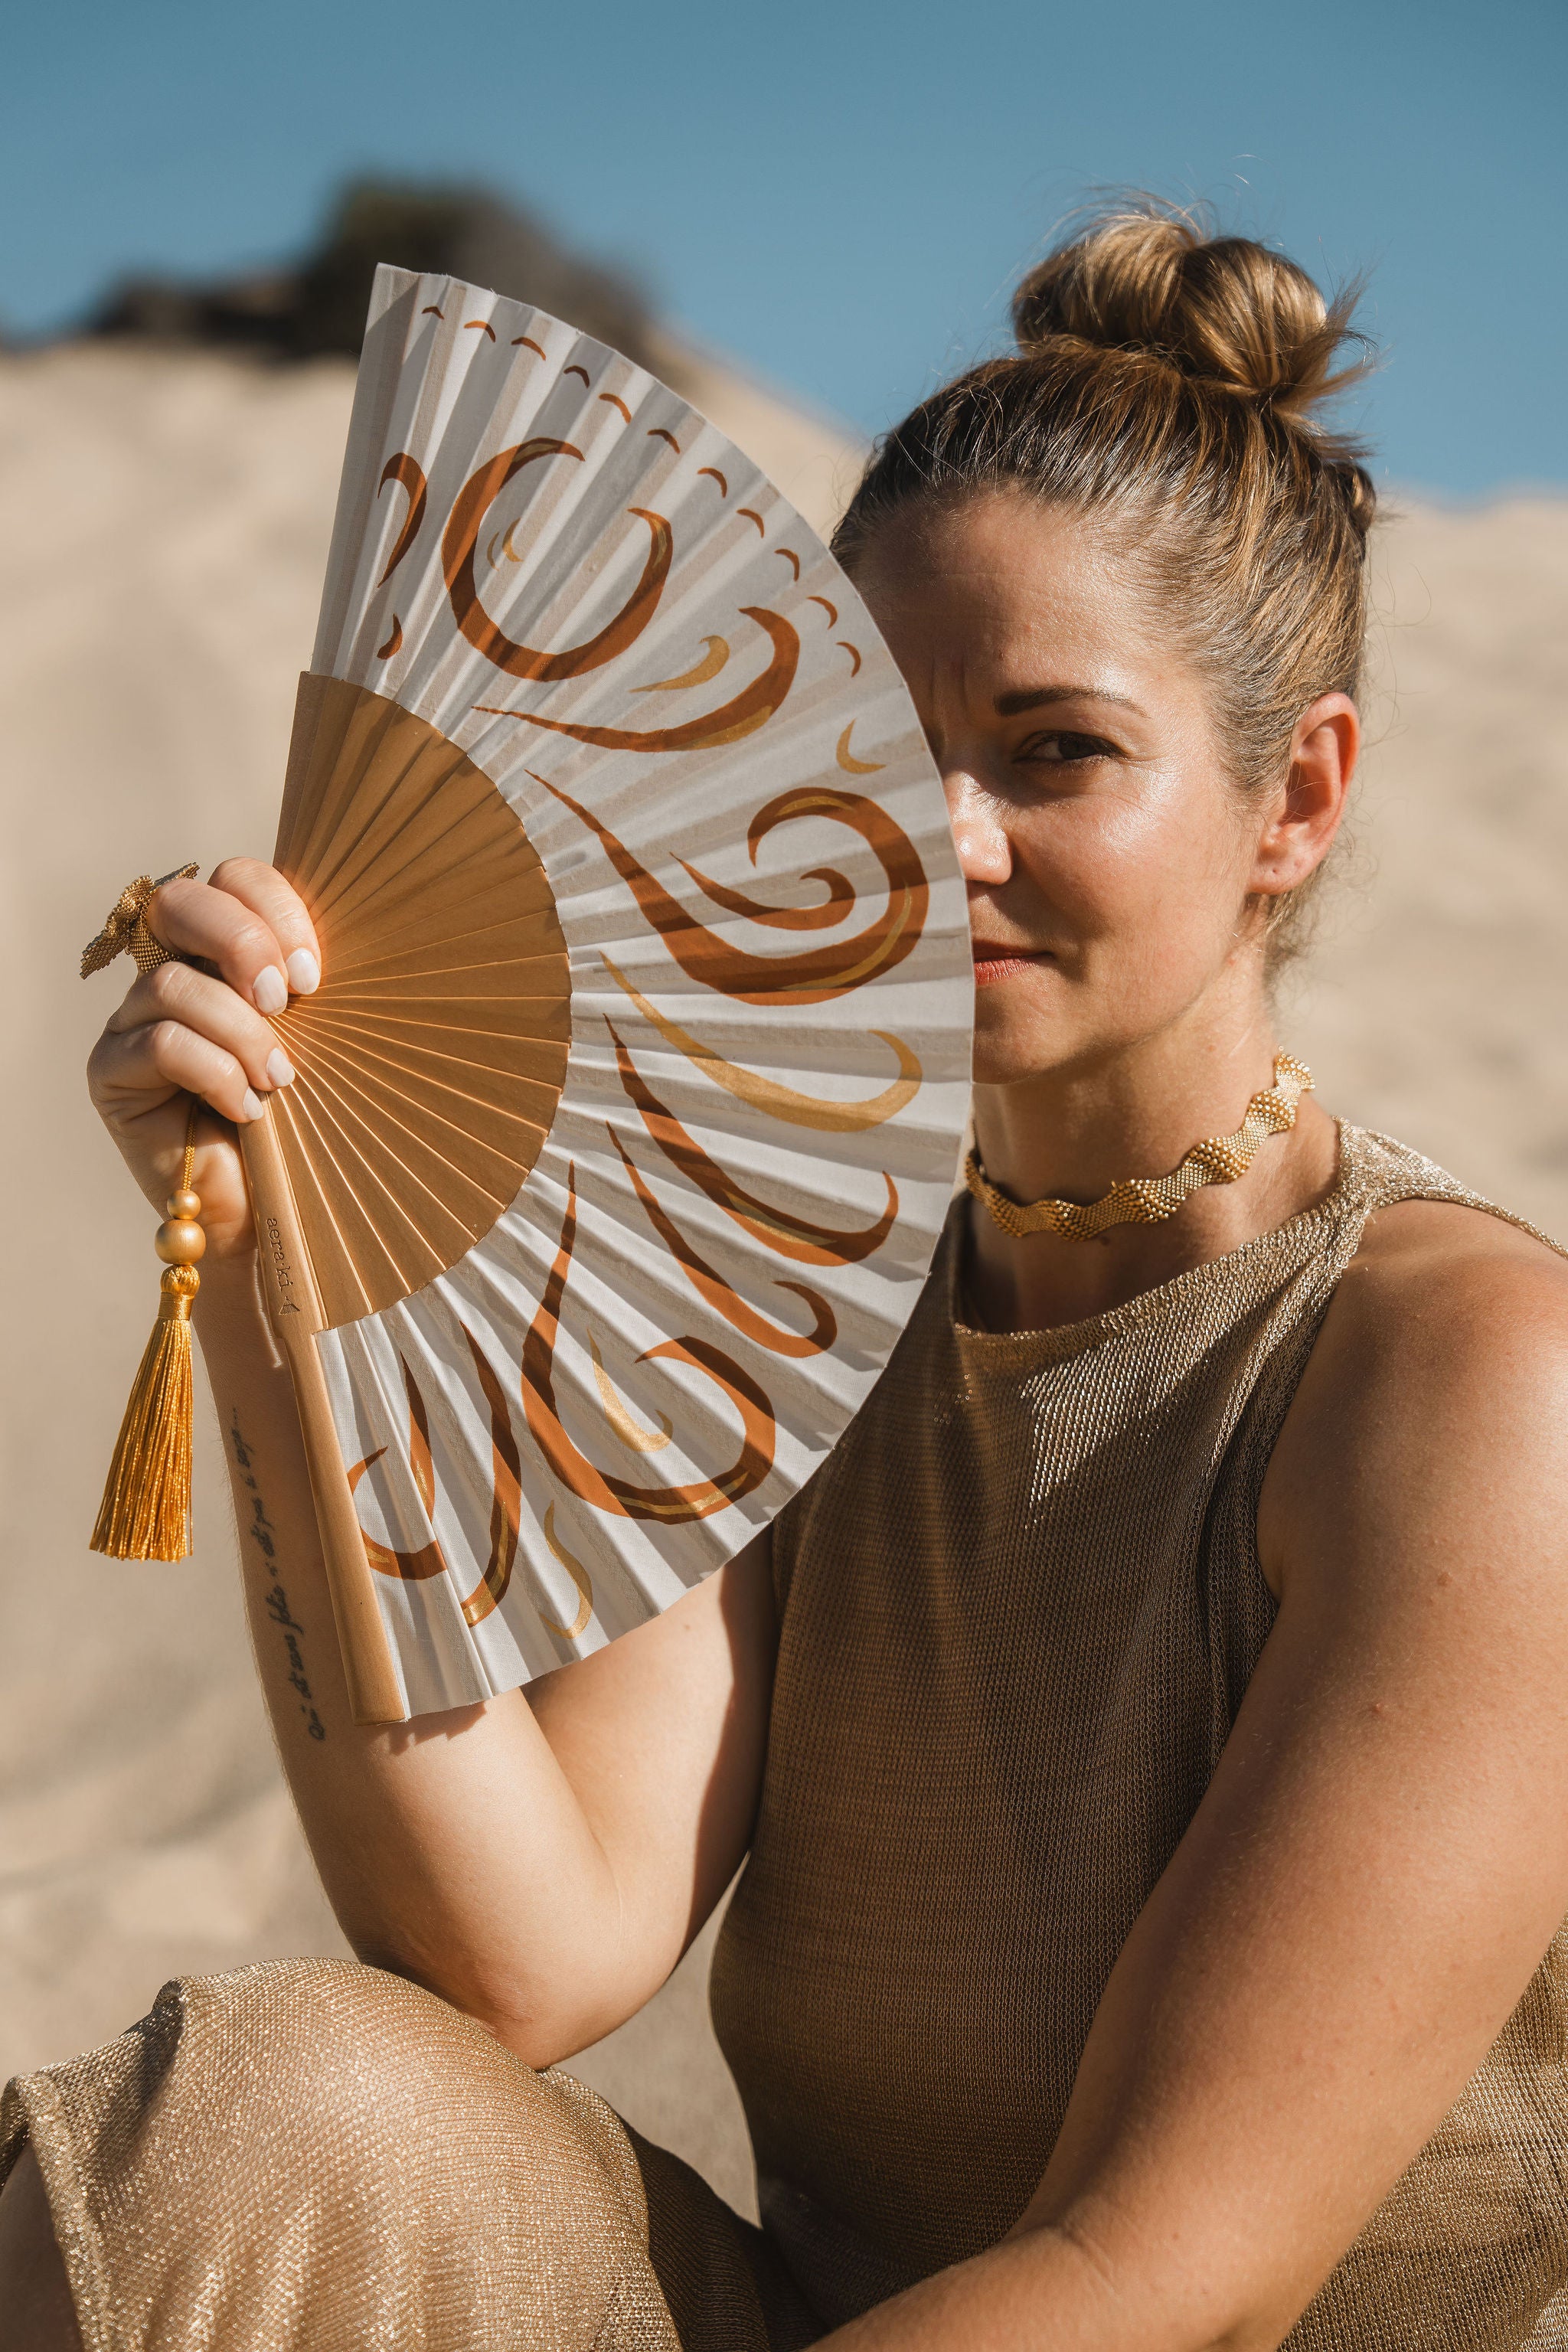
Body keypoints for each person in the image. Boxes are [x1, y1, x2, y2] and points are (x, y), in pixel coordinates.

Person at [5, 203, 1568, 2352]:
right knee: (277, 2121)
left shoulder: (1465, 1377)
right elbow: (526, 1952)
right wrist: (280, 1283)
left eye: (1054, 748)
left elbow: (1161, 2284)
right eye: (881, 755)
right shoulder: (809, 1283)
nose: (946, 839)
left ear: (1294, 797)